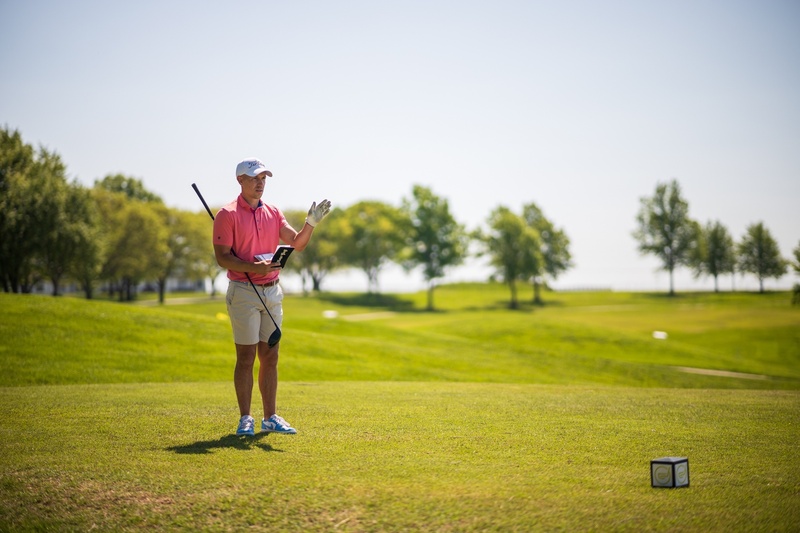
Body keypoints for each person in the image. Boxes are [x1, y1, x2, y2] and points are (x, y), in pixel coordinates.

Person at [213, 157, 331, 436]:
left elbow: (297, 244)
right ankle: (246, 418)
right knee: (246, 357)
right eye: (254, 178)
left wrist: (310, 224)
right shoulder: (227, 214)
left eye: (263, 178)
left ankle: (270, 417)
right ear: (240, 180)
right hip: (243, 291)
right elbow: (222, 258)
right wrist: (255, 268)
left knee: (270, 356)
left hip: (272, 291)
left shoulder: (273, 212)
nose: (260, 183)